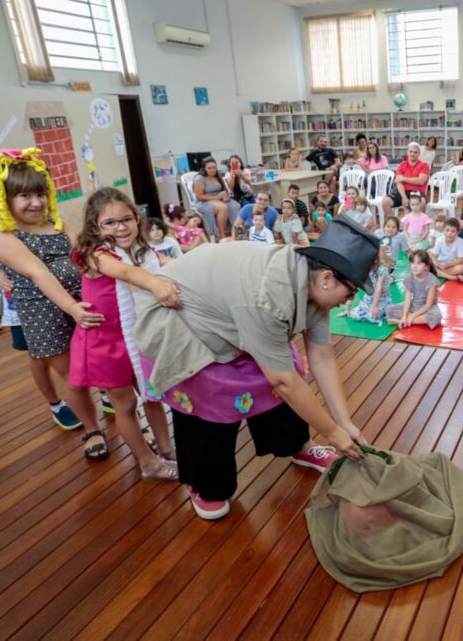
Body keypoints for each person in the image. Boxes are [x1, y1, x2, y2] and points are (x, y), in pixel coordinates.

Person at [135, 218, 378, 519]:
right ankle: (202, 483)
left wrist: (344, 423)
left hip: (235, 317)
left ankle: (295, 444)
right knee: (211, 399)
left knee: (274, 378)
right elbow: (284, 381)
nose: (348, 301)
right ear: (328, 278)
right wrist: (333, 434)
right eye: (351, 292)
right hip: (182, 321)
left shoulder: (313, 284)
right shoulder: (270, 297)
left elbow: (322, 356)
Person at [0, 148, 106, 457]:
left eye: (39, 193)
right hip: (42, 313)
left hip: (82, 300)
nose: (35, 202)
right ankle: (91, 429)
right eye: (24, 196)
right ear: (6, 198)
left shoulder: (57, 222)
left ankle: (122, 410)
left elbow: (86, 252)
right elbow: (38, 272)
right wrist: (73, 309)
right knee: (73, 377)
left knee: (100, 360)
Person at [70, 188, 180, 481]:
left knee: (152, 393)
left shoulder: (140, 251)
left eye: (126, 219)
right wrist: (156, 285)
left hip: (136, 336)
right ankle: (148, 463)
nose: (120, 227)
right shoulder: (96, 255)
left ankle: (166, 448)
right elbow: (129, 275)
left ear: (137, 219)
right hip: (106, 342)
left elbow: (166, 265)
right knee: (126, 404)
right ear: (95, 227)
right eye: (110, 223)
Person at [0, 211, 78, 428]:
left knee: (81, 345)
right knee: (39, 356)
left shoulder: (48, 215)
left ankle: (104, 392)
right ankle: (56, 405)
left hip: (66, 295)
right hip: (23, 304)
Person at [339, 243, 394, 325]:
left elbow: (379, 288)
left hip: (382, 299)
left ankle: (390, 280)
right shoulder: (362, 270)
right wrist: (347, 308)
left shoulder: (382, 268)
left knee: (373, 317)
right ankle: (390, 279)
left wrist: (374, 306)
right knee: (355, 315)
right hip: (369, 298)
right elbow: (354, 289)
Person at [387, 249, 441, 329]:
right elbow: (407, 299)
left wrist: (412, 316)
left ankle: (401, 321)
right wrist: (404, 315)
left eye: (419, 263)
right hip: (414, 305)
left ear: (426, 266)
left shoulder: (431, 280)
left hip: (428, 308)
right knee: (389, 309)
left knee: (436, 316)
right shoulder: (409, 278)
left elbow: (428, 305)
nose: (414, 266)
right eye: (412, 262)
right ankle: (406, 320)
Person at [193, 157, 240, 239]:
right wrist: (216, 197)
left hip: (219, 198)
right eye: (209, 168)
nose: (212, 170)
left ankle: (235, 231)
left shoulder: (217, 176)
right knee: (222, 207)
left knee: (236, 205)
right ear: (204, 168)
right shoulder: (199, 179)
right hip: (204, 201)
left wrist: (225, 195)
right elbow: (199, 197)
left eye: (214, 167)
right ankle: (221, 234)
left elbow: (227, 189)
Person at [386, 143, 430, 219]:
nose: (412, 154)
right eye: (411, 151)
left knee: (422, 202)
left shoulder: (424, 165)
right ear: (407, 152)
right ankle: (392, 225)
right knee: (385, 201)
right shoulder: (401, 165)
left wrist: (404, 178)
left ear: (419, 154)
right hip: (402, 192)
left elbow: (420, 181)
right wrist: (404, 197)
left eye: (415, 152)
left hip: (417, 192)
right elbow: (399, 183)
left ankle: (416, 225)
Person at [430, 217, 463, 283]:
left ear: (458, 232)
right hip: (440, 264)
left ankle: (438, 273)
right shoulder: (440, 240)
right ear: (443, 230)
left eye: (453, 231)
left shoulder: (460, 241)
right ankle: (452, 277)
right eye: (447, 230)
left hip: (452, 265)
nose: (449, 233)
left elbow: (460, 260)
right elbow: (434, 256)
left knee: (460, 268)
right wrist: (436, 263)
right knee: (427, 264)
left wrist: (449, 264)